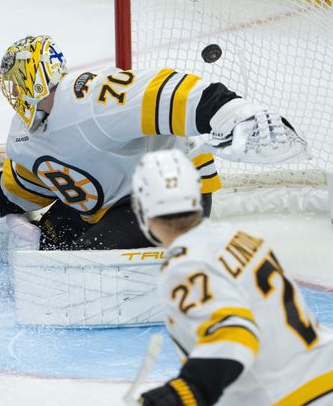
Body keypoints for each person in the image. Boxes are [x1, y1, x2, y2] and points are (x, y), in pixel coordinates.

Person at [0, 35, 306, 257]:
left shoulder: (93, 98)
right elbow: (34, 183)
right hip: (107, 203)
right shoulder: (23, 134)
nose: (13, 92)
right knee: (49, 249)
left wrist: (231, 113)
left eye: (17, 81)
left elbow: (168, 90)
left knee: (73, 264)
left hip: (170, 195)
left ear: (36, 75)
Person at [130, 149, 333, 405]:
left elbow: (234, 334)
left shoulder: (184, 266)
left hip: (291, 395)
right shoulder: (236, 237)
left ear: (141, 209)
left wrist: (183, 394)